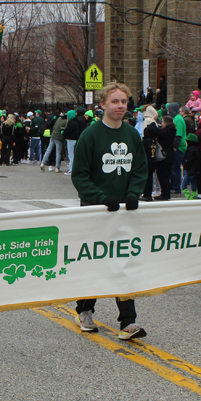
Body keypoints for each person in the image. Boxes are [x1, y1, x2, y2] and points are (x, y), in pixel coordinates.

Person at [71, 81, 148, 340]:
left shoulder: (132, 134)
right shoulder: (90, 136)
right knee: (94, 262)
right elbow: (80, 176)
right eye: (114, 101)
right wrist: (101, 197)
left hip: (124, 210)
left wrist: (133, 194)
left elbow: (139, 169)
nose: (120, 106)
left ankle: (128, 321)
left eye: (124, 102)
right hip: (96, 211)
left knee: (123, 263)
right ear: (102, 104)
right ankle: (84, 310)